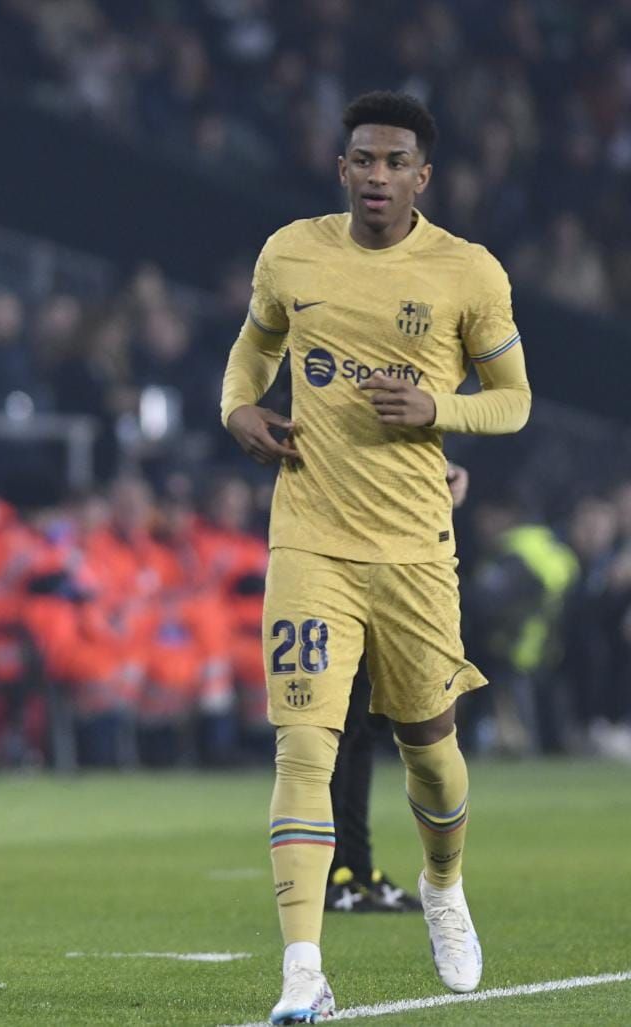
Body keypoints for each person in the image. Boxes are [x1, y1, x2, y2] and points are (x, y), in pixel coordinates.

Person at [221, 91, 530, 1024]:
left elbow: (512, 399)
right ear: (342, 168)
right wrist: (238, 407)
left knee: (428, 748)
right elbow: (254, 344)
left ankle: (443, 882)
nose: (377, 177)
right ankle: (303, 972)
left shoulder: (468, 273)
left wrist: (441, 409)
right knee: (304, 744)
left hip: (414, 550)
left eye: (395, 162)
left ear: (422, 177)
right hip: (309, 536)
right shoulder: (291, 252)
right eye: (362, 160)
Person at [326, 461, 467, 916]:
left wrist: (437, 474)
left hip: (388, 573)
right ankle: (333, 873)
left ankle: (358, 870)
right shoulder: (328, 402)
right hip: (336, 576)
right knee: (330, 734)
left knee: (360, 731)